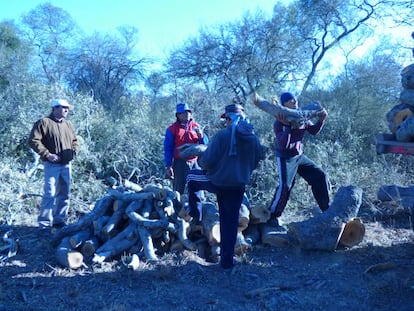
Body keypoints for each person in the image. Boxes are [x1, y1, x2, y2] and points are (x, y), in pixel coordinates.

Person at [186, 103, 264, 270]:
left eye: (226, 119)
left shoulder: (222, 136)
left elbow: (207, 161)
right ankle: (227, 262)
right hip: (239, 185)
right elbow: (257, 159)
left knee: (191, 178)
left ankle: (196, 215)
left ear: (229, 118)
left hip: (220, 183)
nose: (225, 122)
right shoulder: (253, 138)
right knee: (231, 221)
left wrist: (202, 162)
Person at [268, 92, 330, 226]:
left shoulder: (301, 116)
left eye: (294, 98)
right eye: (290, 99)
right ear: (284, 104)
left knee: (319, 176)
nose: (294, 100)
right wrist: (287, 126)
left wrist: (321, 120)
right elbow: (283, 144)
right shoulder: (279, 122)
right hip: (285, 157)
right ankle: (273, 216)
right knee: (285, 186)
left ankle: (326, 209)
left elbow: (313, 131)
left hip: (299, 156)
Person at [29, 99, 79, 232]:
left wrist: (74, 151)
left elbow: (75, 140)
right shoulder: (44, 123)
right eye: (64, 108)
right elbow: (33, 140)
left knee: (65, 193)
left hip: (66, 164)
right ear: (55, 108)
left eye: (67, 108)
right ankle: (44, 224)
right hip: (51, 164)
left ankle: (59, 220)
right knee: (49, 193)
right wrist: (47, 154)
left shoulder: (68, 125)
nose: (66, 110)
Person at [163, 102, 208, 194]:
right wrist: (168, 166)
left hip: (195, 162)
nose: (187, 114)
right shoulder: (172, 129)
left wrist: (201, 136)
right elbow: (168, 148)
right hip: (180, 163)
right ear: (178, 115)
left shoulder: (196, 126)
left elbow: (205, 145)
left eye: (188, 112)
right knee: (178, 190)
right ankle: (176, 207)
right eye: (184, 112)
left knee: (198, 189)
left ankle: (197, 207)